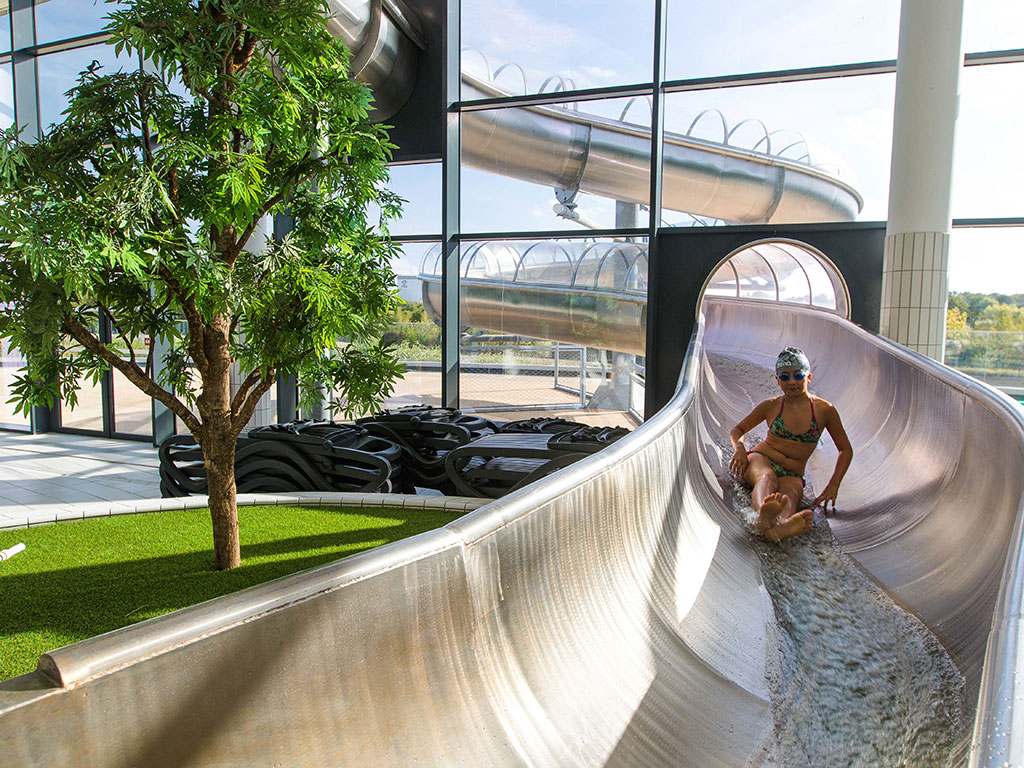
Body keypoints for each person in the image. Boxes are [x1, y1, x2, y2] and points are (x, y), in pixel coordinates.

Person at [728, 347, 853, 542]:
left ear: (808, 377)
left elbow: (845, 450)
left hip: (791, 472)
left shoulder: (824, 410)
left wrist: (833, 485)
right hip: (761, 459)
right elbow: (737, 431)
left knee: (792, 493)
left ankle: (780, 527)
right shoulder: (772, 406)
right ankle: (763, 515)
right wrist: (740, 449)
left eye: (798, 375)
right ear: (777, 380)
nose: (792, 382)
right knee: (767, 477)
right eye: (785, 377)